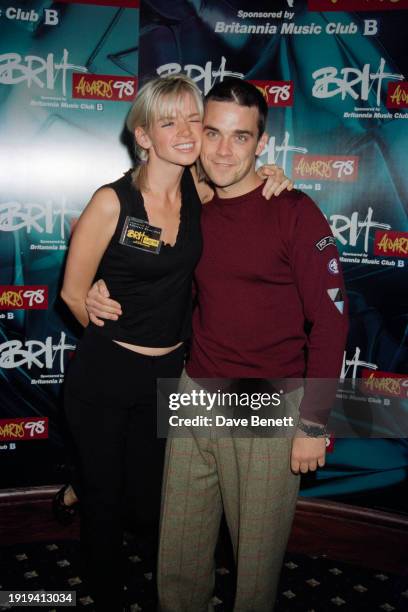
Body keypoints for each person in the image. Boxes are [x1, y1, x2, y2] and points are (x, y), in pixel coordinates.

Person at [87, 77, 349, 611]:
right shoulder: (192, 204)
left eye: (241, 137)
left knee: (254, 561)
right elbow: (124, 242)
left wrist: (313, 425)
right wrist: (94, 285)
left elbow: (332, 323)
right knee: (178, 547)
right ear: (198, 137)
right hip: (194, 387)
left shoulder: (294, 210)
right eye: (213, 133)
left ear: (262, 144)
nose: (225, 150)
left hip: (267, 397)